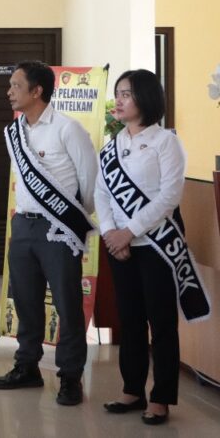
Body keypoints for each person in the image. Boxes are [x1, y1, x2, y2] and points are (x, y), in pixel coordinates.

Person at [97, 69, 209, 426]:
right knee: (129, 320)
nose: (119, 100)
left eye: (126, 94)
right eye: (118, 93)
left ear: (145, 98)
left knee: (160, 322)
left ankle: (161, 398)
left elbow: (170, 196)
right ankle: (132, 390)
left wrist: (128, 232)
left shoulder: (166, 142)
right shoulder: (112, 145)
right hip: (119, 246)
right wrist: (111, 234)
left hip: (157, 246)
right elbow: (101, 192)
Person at [0, 61, 98, 406]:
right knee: (25, 300)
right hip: (23, 224)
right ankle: (27, 366)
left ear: (37, 91)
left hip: (58, 228)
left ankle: (70, 376)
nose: (9, 91)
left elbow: (90, 184)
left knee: (67, 303)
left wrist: (68, 217)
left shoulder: (68, 129)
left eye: (16, 85)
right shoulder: (16, 132)